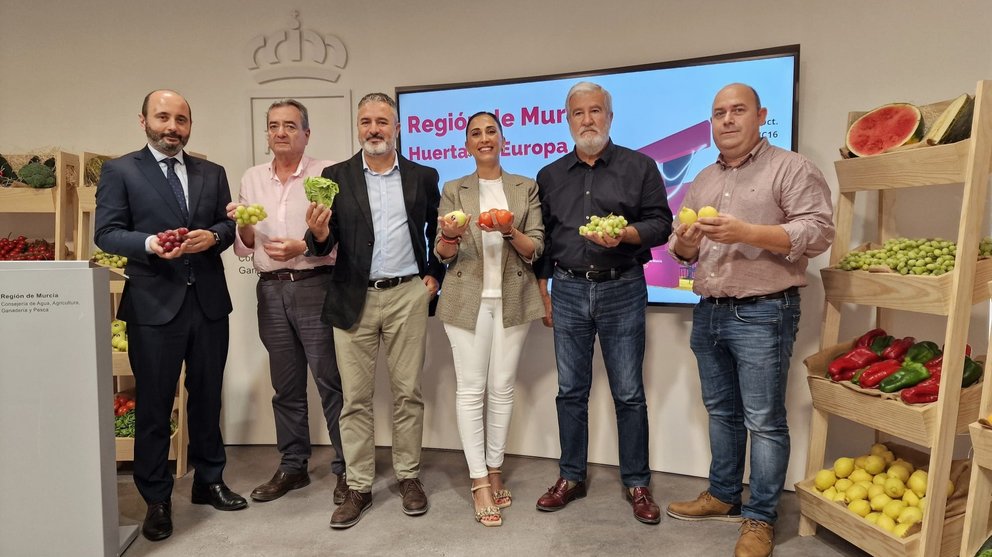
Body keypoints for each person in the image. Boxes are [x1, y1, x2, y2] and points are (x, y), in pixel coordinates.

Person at [666, 83, 834, 557]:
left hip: (764, 309)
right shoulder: (701, 178)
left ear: (761, 115)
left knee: (764, 420)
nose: (728, 120)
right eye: (719, 112)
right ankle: (722, 496)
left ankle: (759, 518)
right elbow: (683, 254)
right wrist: (686, 241)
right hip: (709, 310)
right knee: (722, 412)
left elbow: (819, 231)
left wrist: (749, 231)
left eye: (738, 110)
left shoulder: (792, 167)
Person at [94, 89, 245, 542]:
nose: (172, 127)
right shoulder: (120, 170)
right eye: (163, 117)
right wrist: (148, 245)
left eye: (181, 119)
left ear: (190, 125)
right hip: (153, 307)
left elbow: (227, 224)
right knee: (156, 407)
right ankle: (156, 498)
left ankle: (208, 481)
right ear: (143, 120)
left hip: (209, 305)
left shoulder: (211, 171)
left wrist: (213, 237)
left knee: (207, 398)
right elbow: (107, 233)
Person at [304, 92, 445, 529]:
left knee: (408, 394)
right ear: (358, 127)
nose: (373, 129)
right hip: (353, 296)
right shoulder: (335, 176)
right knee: (355, 400)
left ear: (397, 127)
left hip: (407, 294)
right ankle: (359, 485)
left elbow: (440, 228)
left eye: (382, 121)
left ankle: (408, 477)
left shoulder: (423, 175)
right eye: (365, 121)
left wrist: (434, 276)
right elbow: (320, 245)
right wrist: (319, 234)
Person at [533, 81, 672, 525]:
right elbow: (544, 242)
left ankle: (637, 482)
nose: (588, 120)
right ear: (567, 120)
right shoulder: (549, 175)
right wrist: (545, 293)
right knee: (570, 391)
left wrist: (626, 234)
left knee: (629, 393)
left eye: (596, 111)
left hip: (622, 287)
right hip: (569, 289)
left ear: (610, 117)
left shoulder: (641, 166)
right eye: (579, 113)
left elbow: (661, 225)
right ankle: (570, 477)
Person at [227, 99, 348, 506]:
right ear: (267, 134)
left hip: (316, 284)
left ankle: (348, 469)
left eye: (290, 126)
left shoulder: (327, 173)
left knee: (331, 382)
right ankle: (293, 464)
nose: (281, 132)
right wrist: (243, 225)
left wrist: (305, 245)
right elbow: (244, 247)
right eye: (274, 126)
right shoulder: (252, 178)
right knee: (286, 385)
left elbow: (342, 237)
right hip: (270, 289)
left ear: (306, 133)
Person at [433, 112, 545, 527]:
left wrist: (510, 230)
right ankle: (479, 480)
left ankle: (495, 466)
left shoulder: (524, 187)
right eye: (476, 133)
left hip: (513, 298)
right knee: (470, 390)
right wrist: (448, 236)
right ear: (466, 145)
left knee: (501, 389)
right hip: (466, 300)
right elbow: (442, 254)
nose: (484, 138)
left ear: (502, 139)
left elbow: (536, 248)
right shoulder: (453, 189)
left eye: (491, 131)